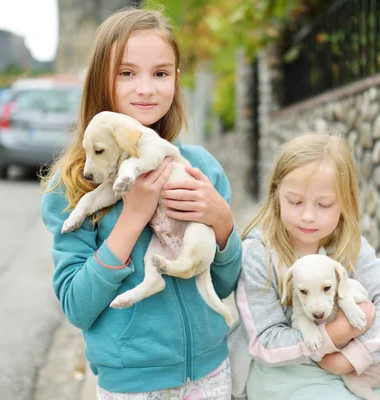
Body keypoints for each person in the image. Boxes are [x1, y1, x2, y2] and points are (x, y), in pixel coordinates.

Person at [40, 7, 242, 399]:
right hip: (131, 387)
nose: (146, 88)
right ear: (101, 80)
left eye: (161, 73)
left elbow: (223, 282)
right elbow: (77, 308)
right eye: (127, 73)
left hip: (210, 372)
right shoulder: (70, 189)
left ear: (176, 80)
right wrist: (132, 217)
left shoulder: (201, 168)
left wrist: (222, 222)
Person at [228, 132, 380, 399]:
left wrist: (351, 357)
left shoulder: (351, 247)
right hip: (283, 378)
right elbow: (265, 343)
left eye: (324, 204)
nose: (307, 215)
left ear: (345, 201)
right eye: (295, 201)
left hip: (351, 371)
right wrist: (336, 333)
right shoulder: (259, 255)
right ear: (276, 195)